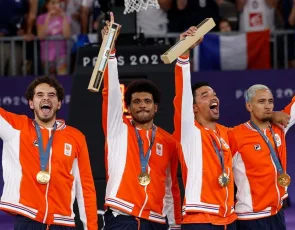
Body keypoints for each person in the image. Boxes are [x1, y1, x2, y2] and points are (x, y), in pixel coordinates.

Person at [173, 27, 290, 230]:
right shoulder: (189, 132)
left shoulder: (227, 134)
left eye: (214, 93)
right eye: (205, 95)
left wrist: (272, 114)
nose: (213, 97)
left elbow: (255, 127)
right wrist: (184, 54)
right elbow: (182, 96)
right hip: (200, 219)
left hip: (228, 219)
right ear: (193, 107)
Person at [101, 13, 182, 230]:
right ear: (129, 107)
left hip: (156, 221)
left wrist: (175, 225)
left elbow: (170, 187)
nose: (142, 105)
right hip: (123, 216)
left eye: (147, 101)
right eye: (136, 101)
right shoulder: (118, 130)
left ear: (156, 107)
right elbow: (110, 92)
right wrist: (110, 47)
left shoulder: (168, 142)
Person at [227, 57, 295, 229]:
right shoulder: (234, 135)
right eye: (261, 102)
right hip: (250, 218)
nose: (268, 106)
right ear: (249, 106)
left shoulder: (279, 127)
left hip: (277, 212)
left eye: (270, 101)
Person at [0, 76, 98, 229]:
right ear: (31, 103)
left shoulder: (75, 137)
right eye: (40, 95)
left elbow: (86, 187)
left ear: (58, 104)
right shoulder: (16, 127)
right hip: (28, 219)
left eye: (51, 95)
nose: (46, 98)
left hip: (62, 222)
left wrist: (91, 227)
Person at [36, 0, 71, 75]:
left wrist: (64, 17)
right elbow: (41, 36)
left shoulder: (65, 17)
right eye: (52, 3)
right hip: (46, 56)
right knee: (49, 81)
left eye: (57, 3)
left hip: (61, 55)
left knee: (63, 79)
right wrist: (48, 17)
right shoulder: (41, 18)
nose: (55, 5)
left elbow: (66, 35)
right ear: (47, 5)